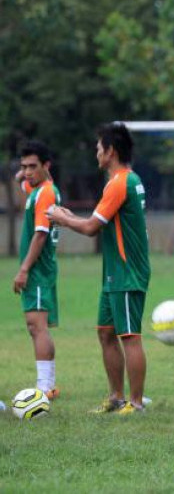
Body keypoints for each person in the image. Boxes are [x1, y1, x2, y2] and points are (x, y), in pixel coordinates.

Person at [47, 122, 150, 415]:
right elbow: (97, 220)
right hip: (114, 272)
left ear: (110, 151)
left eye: (98, 148)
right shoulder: (127, 180)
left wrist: (63, 218)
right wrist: (68, 216)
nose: (96, 153)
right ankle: (116, 397)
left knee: (129, 336)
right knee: (106, 332)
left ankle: (137, 403)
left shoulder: (121, 182)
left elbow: (92, 227)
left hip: (127, 271)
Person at [13, 141, 61, 400]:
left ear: (46, 166)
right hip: (40, 269)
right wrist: (23, 174)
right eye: (24, 167)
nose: (27, 172)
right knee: (35, 326)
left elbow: (40, 235)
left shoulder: (45, 193)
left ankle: (45, 387)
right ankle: (47, 386)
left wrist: (23, 269)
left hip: (39, 269)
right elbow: (22, 182)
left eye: (33, 166)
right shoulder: (39, 190)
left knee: (37, 325)